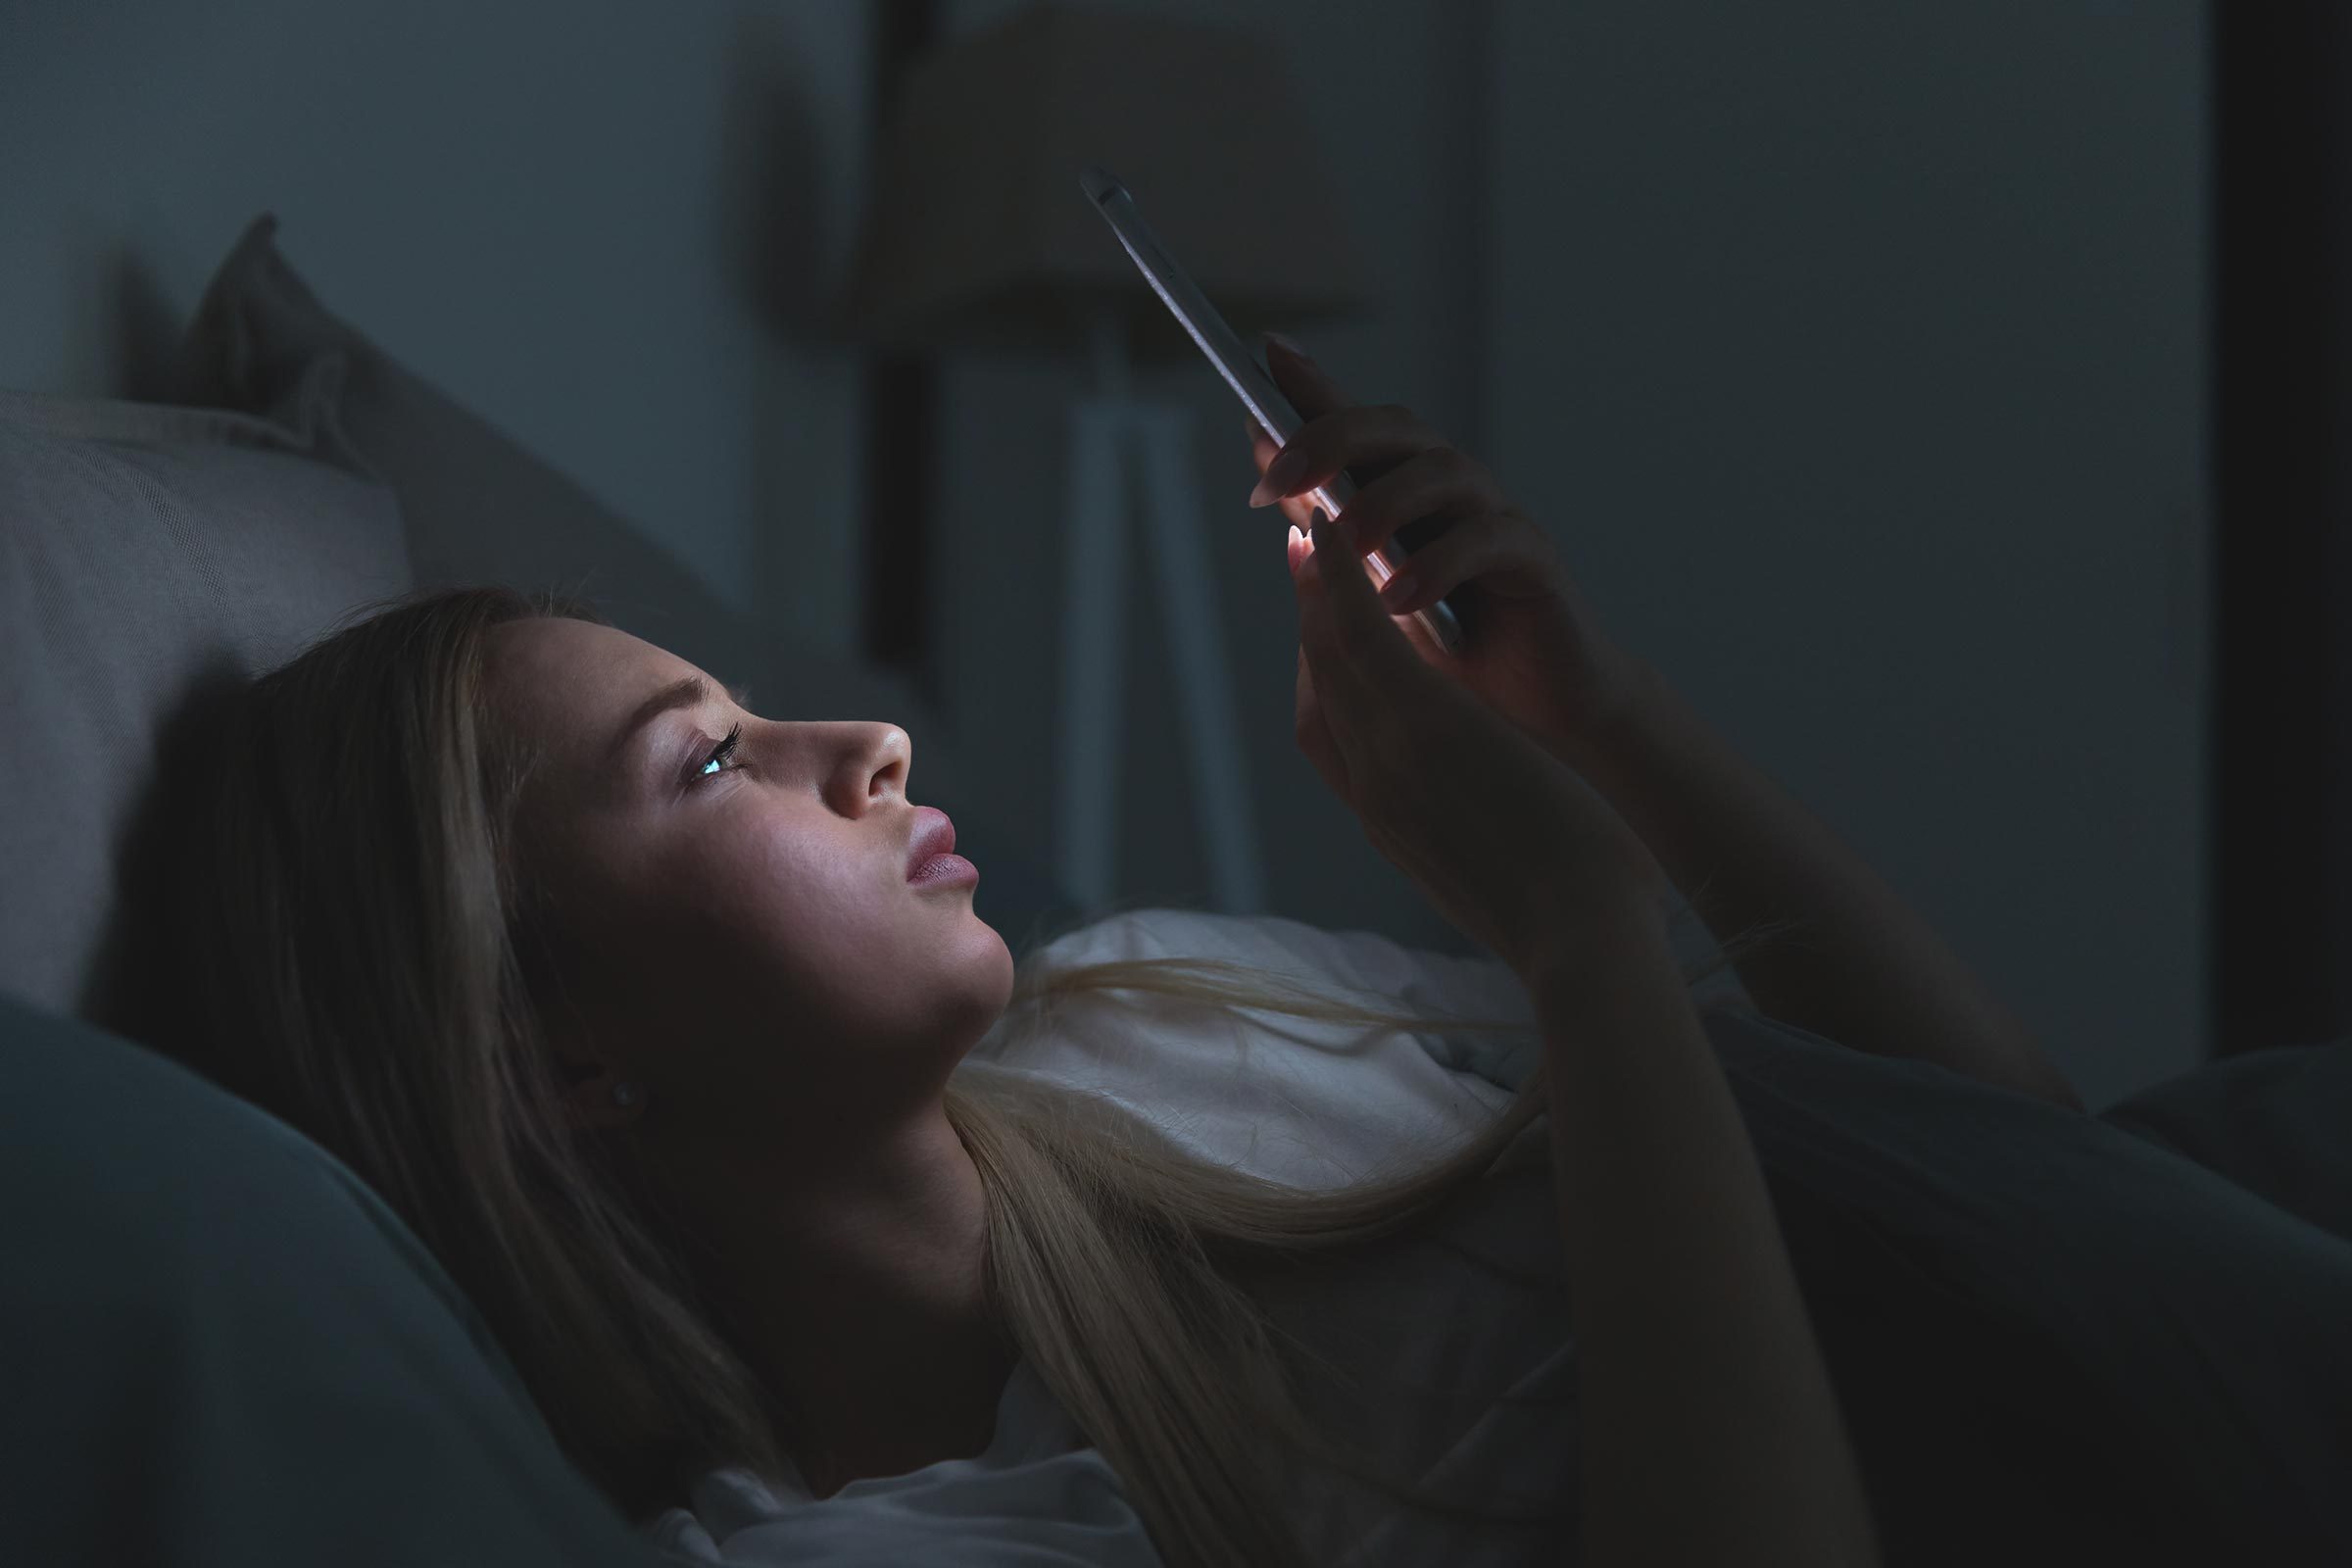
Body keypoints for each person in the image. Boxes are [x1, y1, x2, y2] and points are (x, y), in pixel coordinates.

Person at [150, 336, 2345, 1567]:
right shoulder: (893, 1545)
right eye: (707, 763)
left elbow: (2028, 1176)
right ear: (560, 1058)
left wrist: (1610, 727)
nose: (865, 738)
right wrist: (1576, 928)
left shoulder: (1155, 997)